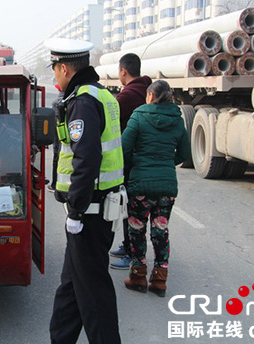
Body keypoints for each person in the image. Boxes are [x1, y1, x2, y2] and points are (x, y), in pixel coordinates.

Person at [47, 38, 123, 344]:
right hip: (92, 211)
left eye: (54, 70)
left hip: (89, 214)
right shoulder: (99, 94)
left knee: (93, 295)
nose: (54, 77)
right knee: (71, 288)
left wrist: (76, 211)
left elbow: (86, 158)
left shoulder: (82, 101)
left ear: (64, 68)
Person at [121, 80, 190, 297]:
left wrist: (132, 167)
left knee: (137, 229)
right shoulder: (177, 120)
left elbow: (124, 147)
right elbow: (184, 154)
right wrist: (167, 163)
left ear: (150, 96)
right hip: (166, 186)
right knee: (161, 231)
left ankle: (138, 277)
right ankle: (160, 280)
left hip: (140, 184)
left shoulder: (139, 115)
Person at [109, 53, 152, 270]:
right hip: (145, 159)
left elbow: (109, 120)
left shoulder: (127, 96)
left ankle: (132, 253)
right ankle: (128, 246)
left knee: (130, 207)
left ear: (123, 71)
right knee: (136, 208)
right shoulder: (147, 91)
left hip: (131, 160)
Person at [46, 83, 63, 193]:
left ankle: (54, 185)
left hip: (59, 136)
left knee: (57, 158)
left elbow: (54, 122)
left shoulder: (57, 103)